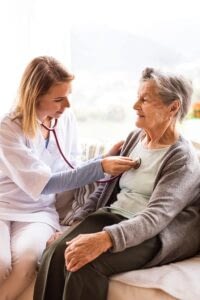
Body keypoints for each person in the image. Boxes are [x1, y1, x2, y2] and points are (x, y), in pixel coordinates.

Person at [34, 67, 200, 300]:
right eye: (137, 97)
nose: (135, 106)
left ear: (173, 107)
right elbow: (106, 188)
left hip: (154, 233)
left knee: (83, 264)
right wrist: (77, 223)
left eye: (145, 100)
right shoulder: (135, 138)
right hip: (114, 216)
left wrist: (104, 239)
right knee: (55, 252)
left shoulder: (182, 159)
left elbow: (156, 217)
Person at [0, 56, 136, 300]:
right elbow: (47, 183)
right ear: (35, 97)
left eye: (68, 95)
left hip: (38, 212)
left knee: (29, 259)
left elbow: (70, 168)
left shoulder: (65, 120)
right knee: (1, 263)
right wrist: (100, 166)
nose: (68, 105)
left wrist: (103, 160)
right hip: (3, 207)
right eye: (58, 99)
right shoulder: (8, 128)